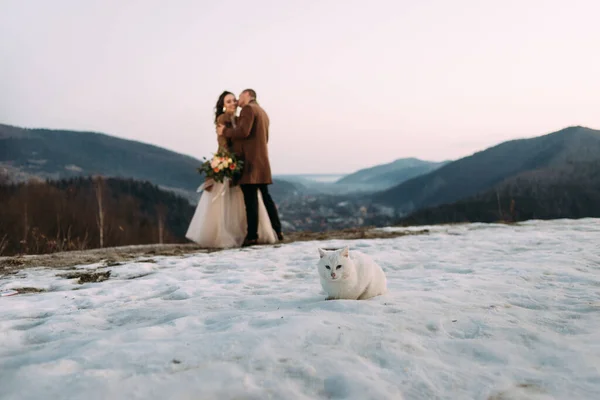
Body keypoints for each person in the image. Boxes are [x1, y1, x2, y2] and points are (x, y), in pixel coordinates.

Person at [185, 91, 278, 248]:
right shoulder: (222, 119)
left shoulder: (240, 117)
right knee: (226, 200)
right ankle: (225, 232)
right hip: (229, 162)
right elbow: (223, 141)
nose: (233, 103)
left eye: (234, 100)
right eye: (228, 101)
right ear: (223, 106)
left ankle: (245, 232)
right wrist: (228, 160)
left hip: (240, 163)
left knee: (243, 200)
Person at [217, 89, 284, 247]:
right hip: (262, 162)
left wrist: (225, 131)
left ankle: (252, 236)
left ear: (248, 95)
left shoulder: (248, 109)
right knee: (266, 197)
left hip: (249, 163)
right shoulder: (263, 112)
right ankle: (278, 229)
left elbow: (243, 132)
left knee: (251, 200)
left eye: (239, 97)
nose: (237, 101)